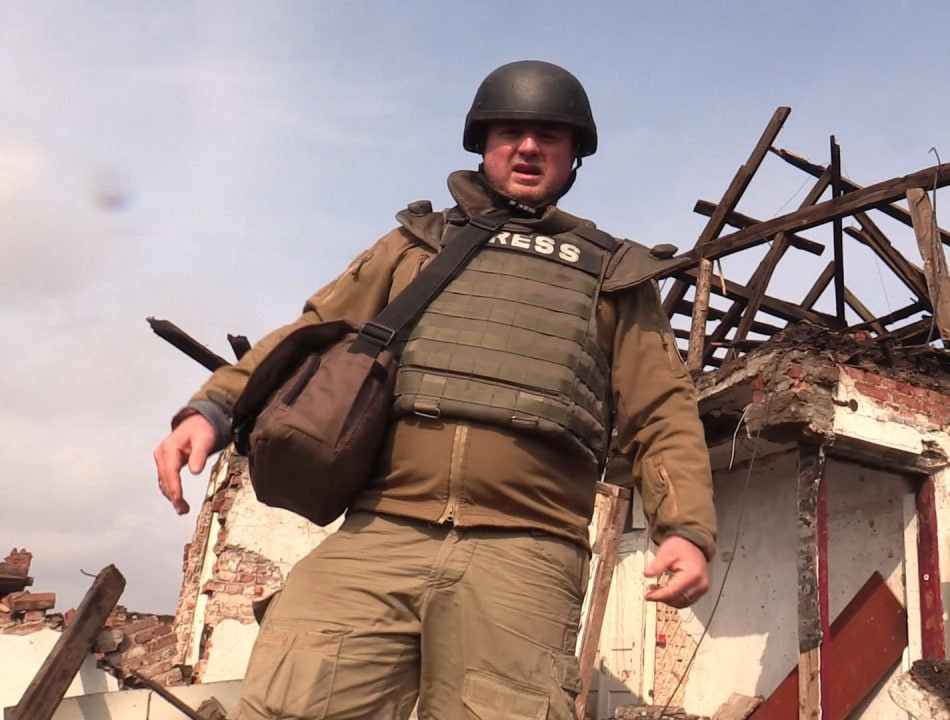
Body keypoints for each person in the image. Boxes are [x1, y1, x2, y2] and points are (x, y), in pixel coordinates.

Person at [152, 60, 718, 720]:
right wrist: (213, 407)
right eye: (510, 132)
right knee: (291, 700)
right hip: (381, 528)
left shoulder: (613, 275)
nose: (528, 148)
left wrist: (685, 529)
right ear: (482, 143)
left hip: (526, 551)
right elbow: (312, 331)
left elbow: (662, 411)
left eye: (548, 136)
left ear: (573, 157)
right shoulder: (415, 245)